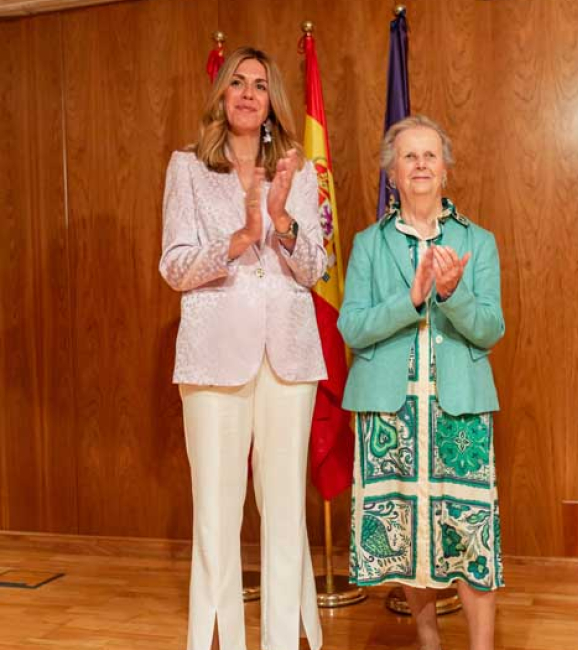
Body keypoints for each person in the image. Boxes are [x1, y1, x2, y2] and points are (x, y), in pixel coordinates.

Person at [159, 46, 327, 650]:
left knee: (284, 508)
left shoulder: (298, 170)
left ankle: (285, 640)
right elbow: (175, 267)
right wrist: (239, 238)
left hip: (288, 356)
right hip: (213, 355)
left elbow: (315, 268)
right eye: (238, 82)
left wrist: (279, 221)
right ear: (222, 95)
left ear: (272, 100)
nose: (249, 93)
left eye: (259, 84)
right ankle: (218, 641)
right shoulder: (187, 167)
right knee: (216, 509)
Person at [338, 115, 505, 650]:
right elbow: (352, 327)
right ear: (392, 172)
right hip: (389, 414)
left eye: (430, 155)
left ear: (446, 169)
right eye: (409, 156)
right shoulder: (369, 244)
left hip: (460, 411)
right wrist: (410, 300)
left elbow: (490, 329)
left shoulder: (478, 241)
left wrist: (453, 294)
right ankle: (428, 639)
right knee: (408, 536)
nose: (420, 165)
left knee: (472, 535)